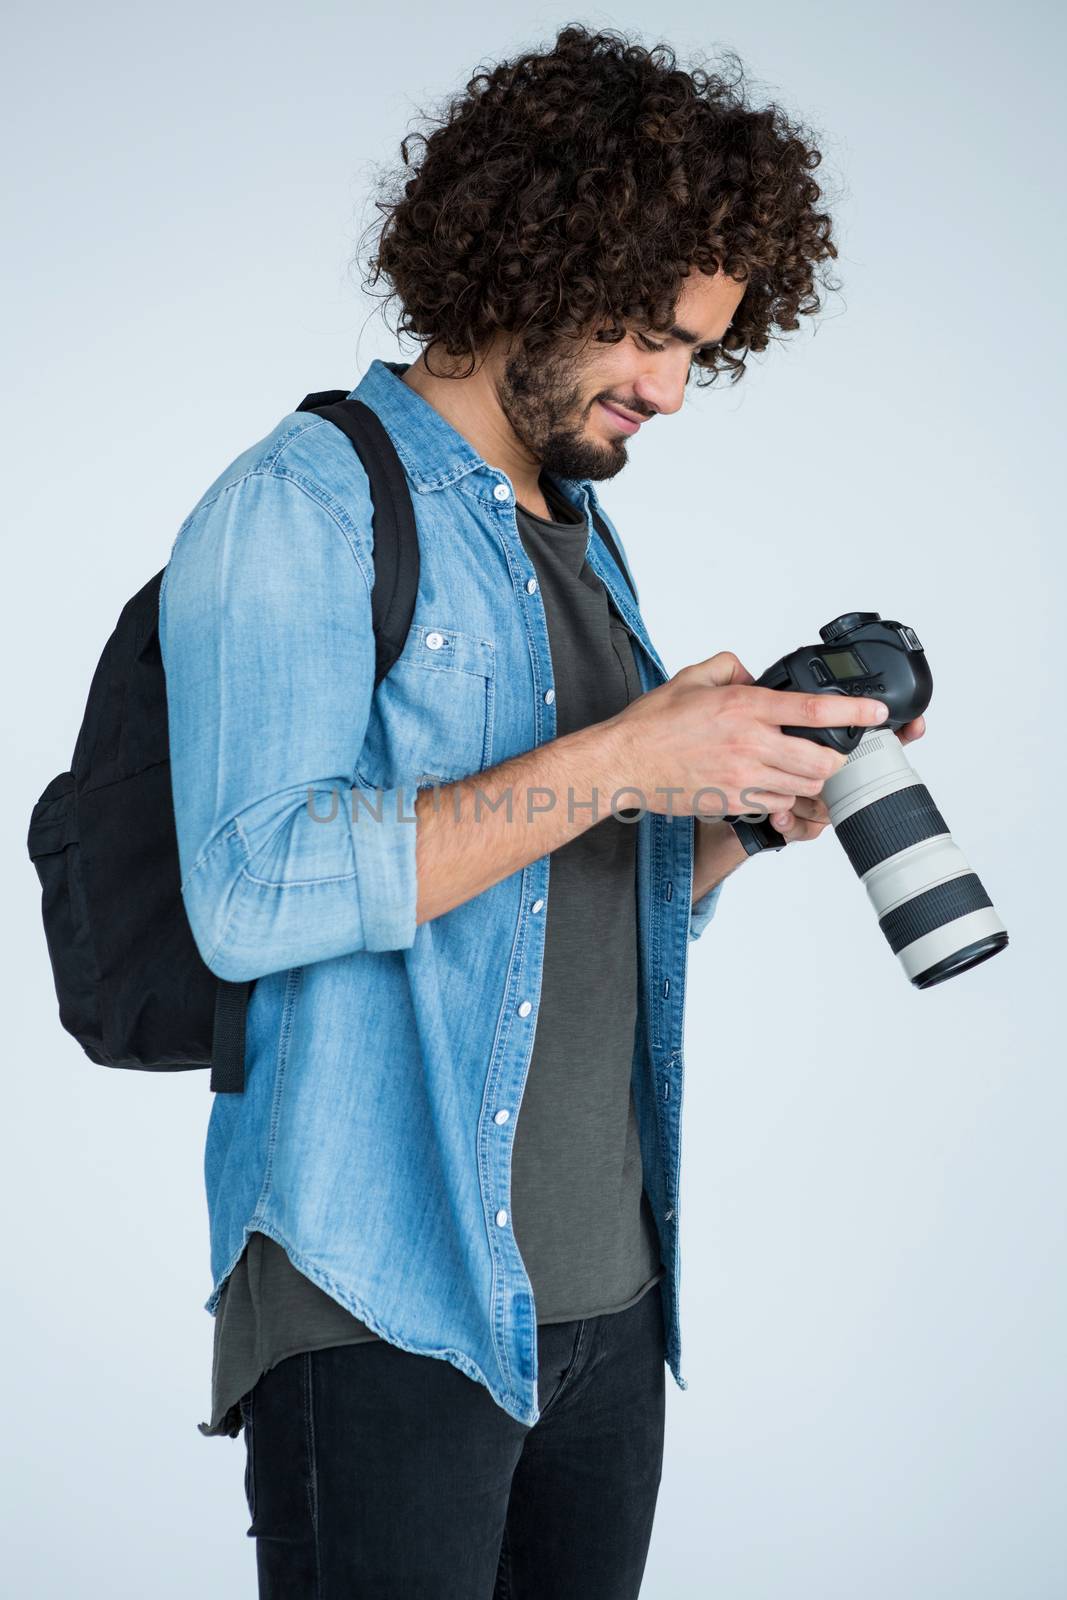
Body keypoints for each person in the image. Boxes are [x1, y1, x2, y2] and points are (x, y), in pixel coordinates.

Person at [159, 22, 926, 1597]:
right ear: (524, 254)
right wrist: (633, 756)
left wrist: (733, 814)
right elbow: (246, 895)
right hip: (387, 1292)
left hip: (603, 1300)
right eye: (647, 332)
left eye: (699, 350)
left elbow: (555, 892)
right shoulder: (300, 501)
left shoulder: (571, 529)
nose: (670, 387)